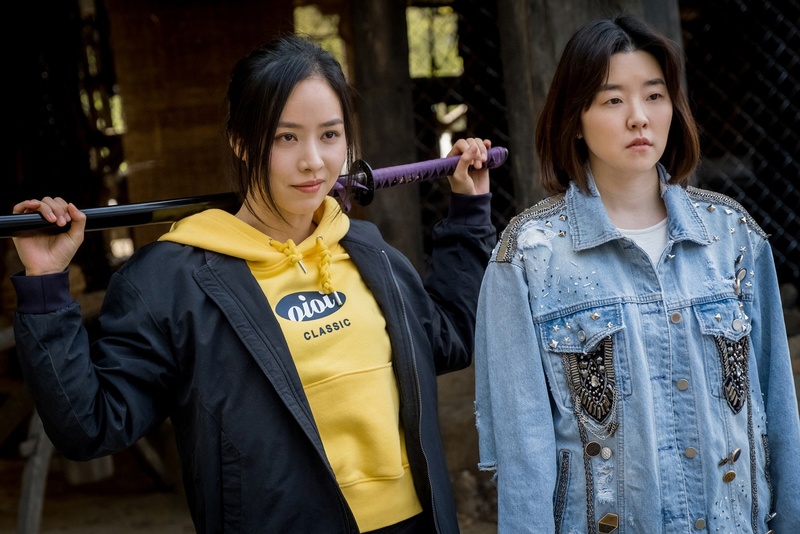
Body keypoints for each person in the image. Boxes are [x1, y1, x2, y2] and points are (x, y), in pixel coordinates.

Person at [11, 35, 497, 533]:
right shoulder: (172, 284)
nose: (313, 161)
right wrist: (46, 287)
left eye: (330, 135)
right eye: (286, 137)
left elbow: (451, 337)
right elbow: (90, 426)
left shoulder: (368, 251)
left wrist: (469, 213)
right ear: (241, 142)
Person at [474, 15, 799, 533]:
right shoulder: (530, 256)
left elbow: (778, 412)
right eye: (612, 100)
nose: (639, 118)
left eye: (654, 95)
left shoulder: (732, 235)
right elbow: (523, 454)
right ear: (574, 119)